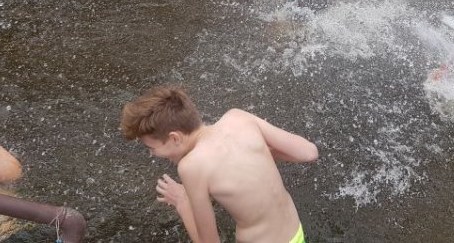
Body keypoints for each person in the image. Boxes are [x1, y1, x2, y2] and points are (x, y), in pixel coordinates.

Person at [120, 85, 318, 243]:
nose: (152, 154)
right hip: (296, 234)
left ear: (174, 138)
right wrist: (262, 154)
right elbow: (309, 152)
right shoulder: (238, 118)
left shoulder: (191, 166)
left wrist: (182, 202)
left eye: (152, 147)